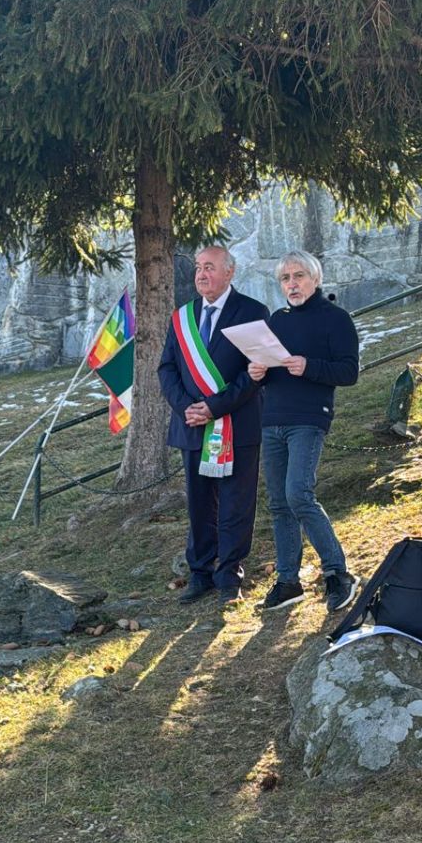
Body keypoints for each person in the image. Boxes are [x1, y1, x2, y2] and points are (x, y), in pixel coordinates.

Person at [247, 250, 360, 612]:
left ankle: (338, 573)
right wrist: (257, 372)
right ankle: (288, 582)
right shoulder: (276, 321)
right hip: (272, 418)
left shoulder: (336, 318)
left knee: (298, 494)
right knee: (279, 503)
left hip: (309, 418)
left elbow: (349, 372)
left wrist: (309, 366)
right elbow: (269, 369)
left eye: (299, 276)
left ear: (315, 279)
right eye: (285, 279)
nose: (292, 284)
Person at [158, 244, 269, 603]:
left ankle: (229, 576)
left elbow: (255, 373)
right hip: (192, 425)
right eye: (198, 268)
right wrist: (187, 408)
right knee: (199, 503)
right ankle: (200, 573)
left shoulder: (252, 311)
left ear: (229, 272)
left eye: (209, 267)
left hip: (237, 424)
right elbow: (167, 368)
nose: (201, 274)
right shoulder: (182, 318)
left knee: (236, 503)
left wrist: (214, 407)